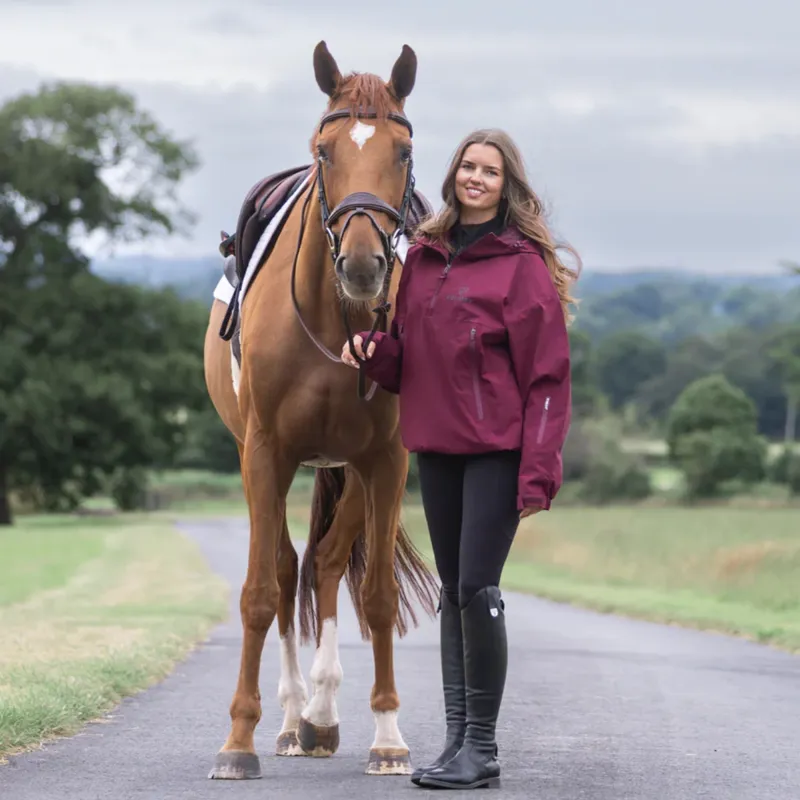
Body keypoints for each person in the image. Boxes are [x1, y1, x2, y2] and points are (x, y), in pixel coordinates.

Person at [340, 129, 580, 790]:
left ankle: (483, 748)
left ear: (508, 186)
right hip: (438, 448)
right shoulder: (421, 257)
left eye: (490, 172)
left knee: (477, 589)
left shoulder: (522, 265)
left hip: (498, 451)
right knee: (452, 593)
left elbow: (549, 380)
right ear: (452, 175)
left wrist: (538, 470)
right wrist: (373, 352)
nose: (476, 178)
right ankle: (453, 745)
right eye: (469, 167)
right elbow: (407, 357)